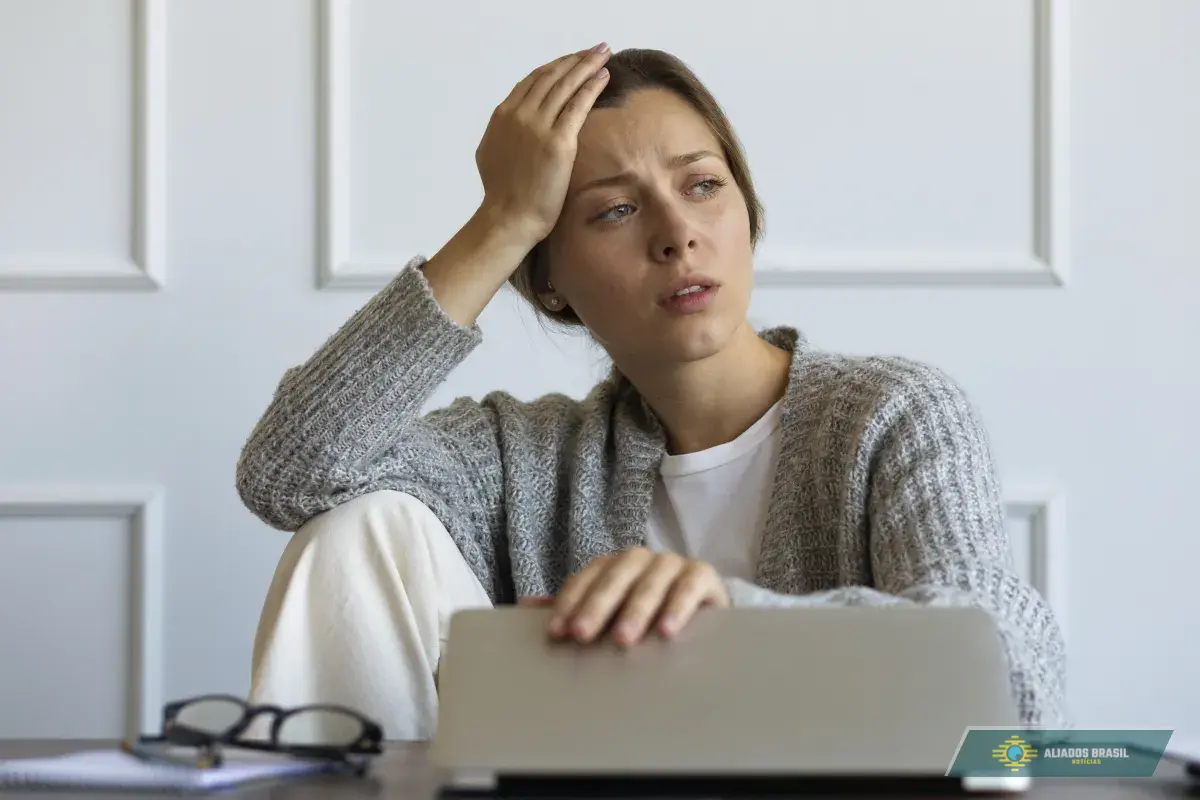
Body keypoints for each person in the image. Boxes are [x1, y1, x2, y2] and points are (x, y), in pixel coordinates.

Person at [236, 43, 1068, 741]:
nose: (678, 235)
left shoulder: (891, 416)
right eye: (615, 211)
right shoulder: (519, 460)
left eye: (703, 185)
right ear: (549, 279)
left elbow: (1015, 695)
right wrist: (501, 221)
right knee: (359, 528)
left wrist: (733, 619)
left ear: (748, 212)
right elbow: (289, 473)